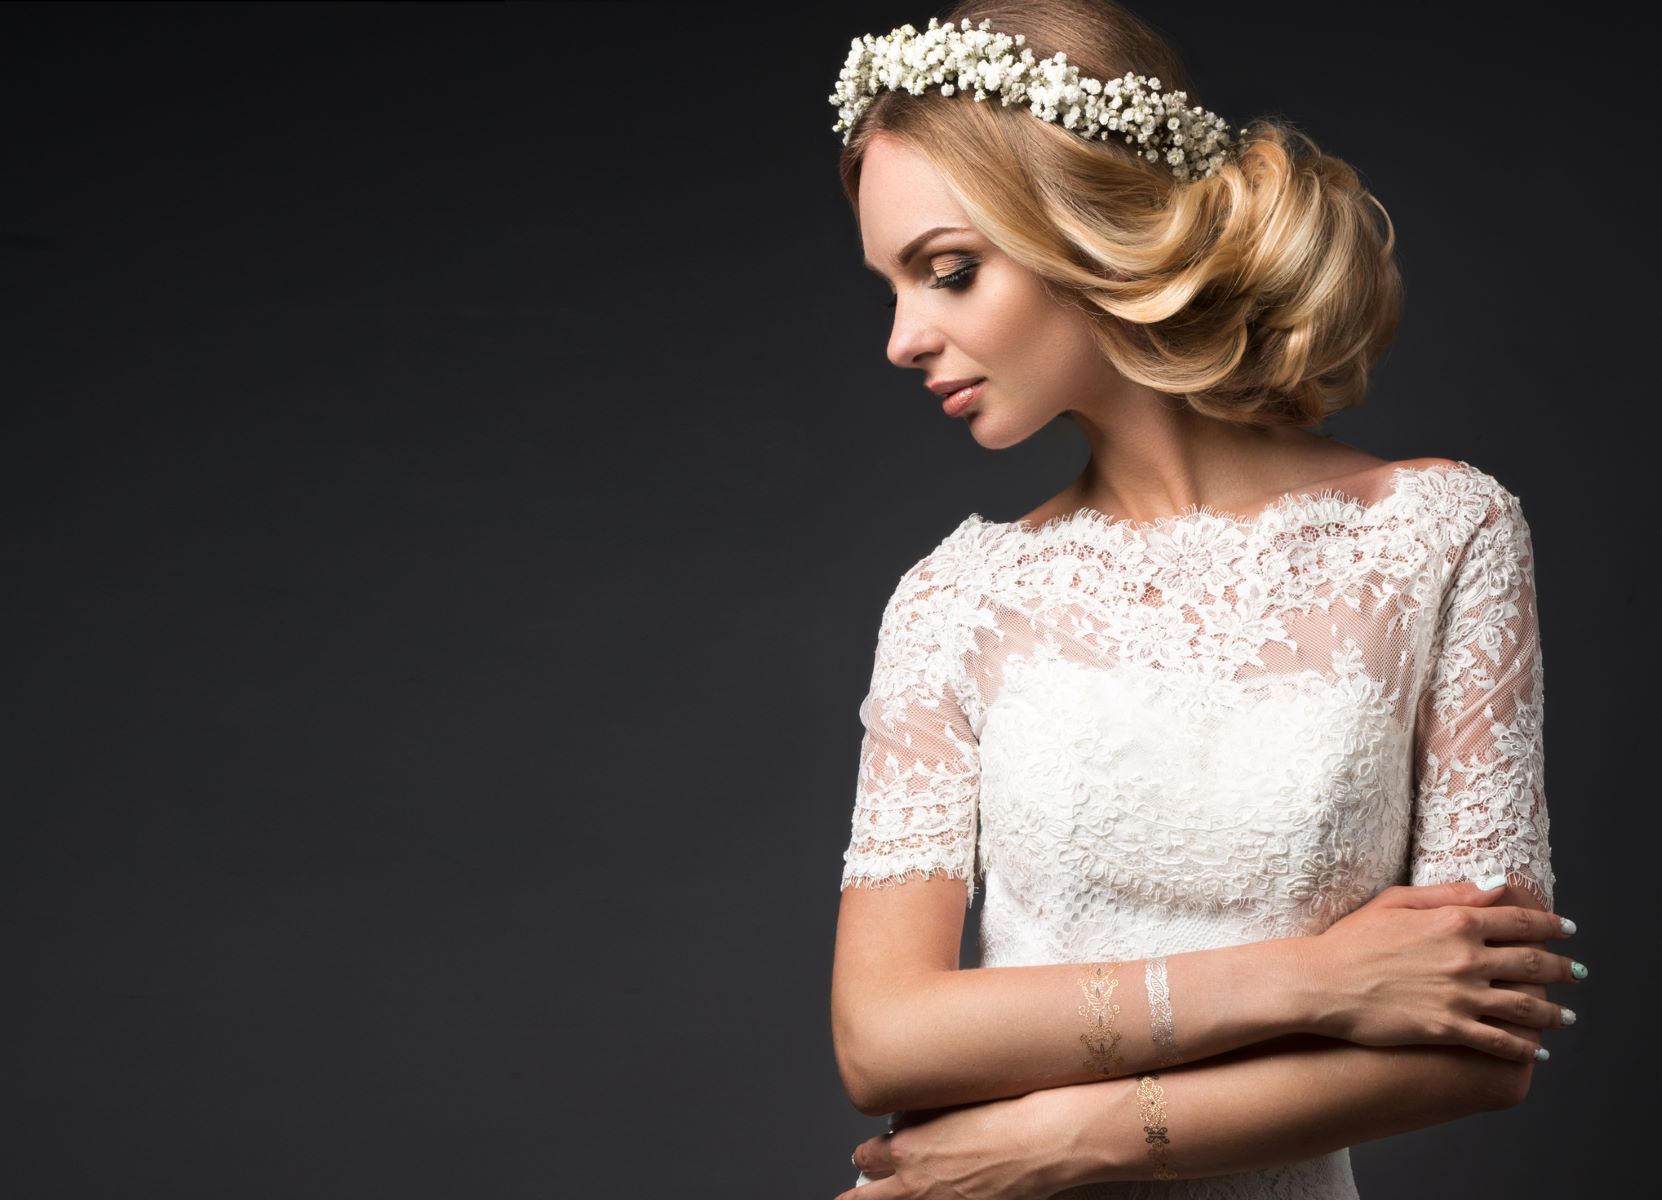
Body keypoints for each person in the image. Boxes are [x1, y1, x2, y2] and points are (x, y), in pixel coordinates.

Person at [826, 3, 1581, 1197]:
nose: (905, 339)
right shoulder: (953, 600)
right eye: (892, 292)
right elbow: (884, 1039)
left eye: (950, 272)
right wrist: (1316, 982)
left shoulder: (1441, 534)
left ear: (1089, 229)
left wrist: (1056, 1141)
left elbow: (1483, 1045)